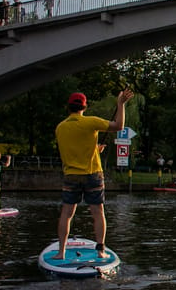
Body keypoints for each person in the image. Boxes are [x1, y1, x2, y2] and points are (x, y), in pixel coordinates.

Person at [54, 89, 134, 260]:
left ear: (68, 107)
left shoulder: (60, 127)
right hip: (92, 175)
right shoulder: (91, 122)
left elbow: (72, 150)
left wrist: (95, 150)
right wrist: (120, 104)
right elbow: (119, 126)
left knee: (66, 213)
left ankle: (61, 252)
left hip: (71, 175)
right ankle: (100, 251)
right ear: (85, 106)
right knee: (98, 213)